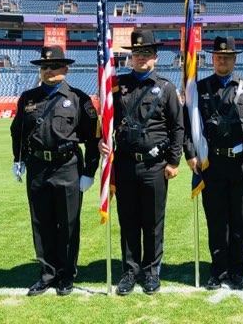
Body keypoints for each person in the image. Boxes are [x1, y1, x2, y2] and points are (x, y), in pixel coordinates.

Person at [10, 45, 100, 297]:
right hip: (38, 168)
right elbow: (17, 131)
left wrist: (89, 171)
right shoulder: (28, 98)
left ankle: (67, 274)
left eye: (53, 67)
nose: (47, 71)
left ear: (65, 69)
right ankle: (47, 273)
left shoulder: (79, 99)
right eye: (44, 67)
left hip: (67, 167)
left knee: (68, 224)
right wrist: (17, 159)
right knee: (42, 223)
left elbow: (93, 138)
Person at [100, 29, 184, 296]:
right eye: (136, 54)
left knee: (153, 221)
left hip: (154, 166)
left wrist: (173, 161)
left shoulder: (167, 88)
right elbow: (104, 119)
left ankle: (151, 270)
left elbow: (177, 127)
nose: (141, 58)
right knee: (128, 220)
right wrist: (102, 139)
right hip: (124, 165)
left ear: (155, 57)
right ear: (131, 57)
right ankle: (130, 270)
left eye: (146, 53)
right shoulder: (117, 86)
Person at [185, 36, 243, 291]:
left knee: (241, 220)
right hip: (212, 164)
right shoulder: (198, 89)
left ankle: (237, 270)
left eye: (228, 57)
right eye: (219, 56)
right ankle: (218, 269)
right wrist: (190, 154)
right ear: (213, 59)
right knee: (217, 220)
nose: (223, 60)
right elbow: (188, 124)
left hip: (242, 165)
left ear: (234, 59)